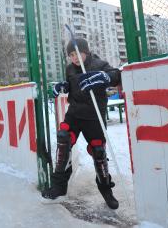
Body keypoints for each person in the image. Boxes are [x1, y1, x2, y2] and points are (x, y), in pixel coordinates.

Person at [41, 38, 121, 209]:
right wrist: (63, 86)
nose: (75, 58)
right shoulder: (70, 68)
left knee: (98, 152)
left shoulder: (99, 64)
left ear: (86, 52)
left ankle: (106, 188)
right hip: (75, 115)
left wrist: (105, 76)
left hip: (94, 116)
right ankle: (59, 186)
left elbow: (116, 75)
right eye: (71, 55)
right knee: (63, 140)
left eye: (78, 53)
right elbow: (71, 85)